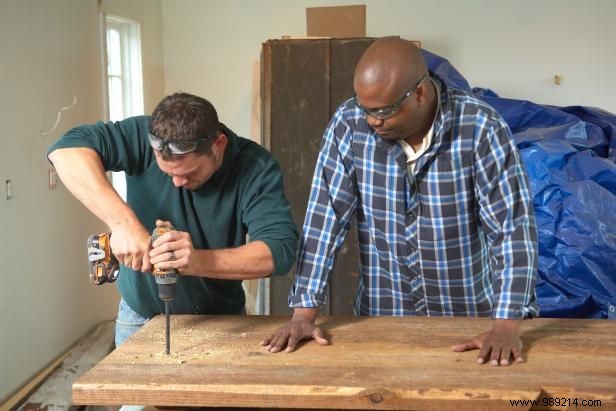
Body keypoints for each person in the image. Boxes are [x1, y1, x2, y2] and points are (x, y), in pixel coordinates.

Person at [262, 38, 539, 366]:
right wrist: (303, 314)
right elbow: (325, 219)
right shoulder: (349, 125)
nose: (371, 122)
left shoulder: (480, 128)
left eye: (382, 111)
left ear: (420, 93)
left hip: (469, 322)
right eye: (365, 109)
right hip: (383, 319)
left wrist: (505, 326)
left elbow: (511, 231)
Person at [48, 92, 297, 347]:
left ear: (218, 144)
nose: (177, 182)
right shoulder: (140, 135)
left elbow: (279, 251)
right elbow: (65, 151)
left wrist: (197, 260)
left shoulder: (255, 167)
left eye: (190, 173)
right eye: (168, 173)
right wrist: (123, 224)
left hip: (220, 320)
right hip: (138, 316)